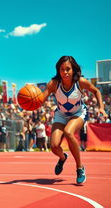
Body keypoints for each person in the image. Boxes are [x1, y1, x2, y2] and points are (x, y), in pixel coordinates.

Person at [42, 56, 107, 184]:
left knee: (68, 132)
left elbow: (96, 91)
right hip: (61, 114)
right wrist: (31, 100)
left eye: (68, 69)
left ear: (73, 70)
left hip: (78, 113)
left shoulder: (80, 82)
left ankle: (80, 167)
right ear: (58, 70)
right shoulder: (54, 84)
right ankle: (62, 157)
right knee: (54, 146)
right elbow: (40, 99)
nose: (65, 72)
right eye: (62, 69)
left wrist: (101, 107)